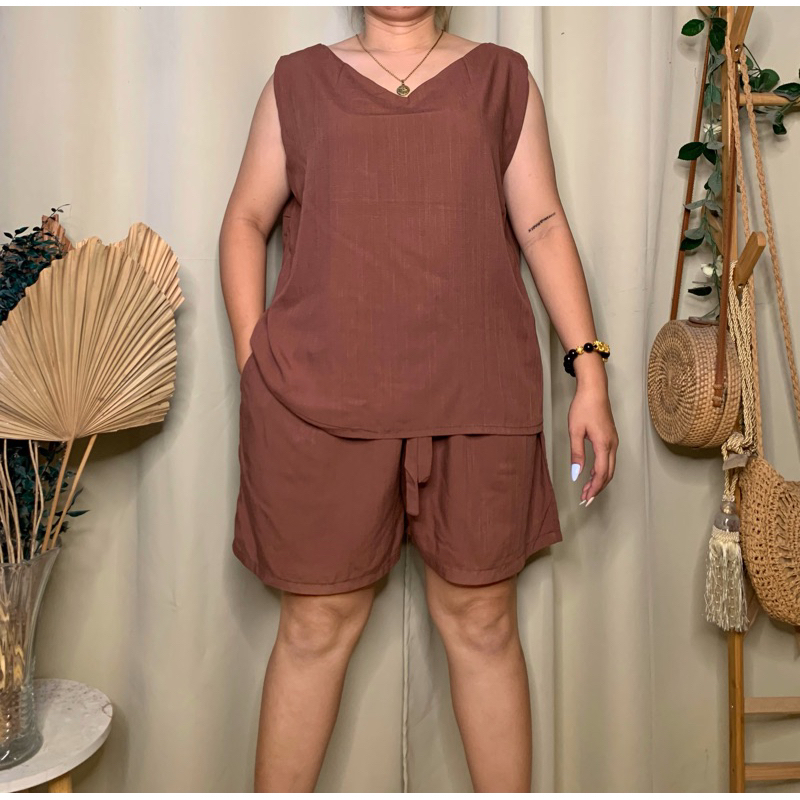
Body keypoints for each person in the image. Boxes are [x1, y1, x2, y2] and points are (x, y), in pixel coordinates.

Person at [219, 5, 618, 792]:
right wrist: (253, 360)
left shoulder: (502, 79)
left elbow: (541, 223)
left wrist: (590, 373)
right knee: (314, 629)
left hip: (479, 396)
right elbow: (245, 220)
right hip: (317, 406)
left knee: (483, 624)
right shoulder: (297, 81)